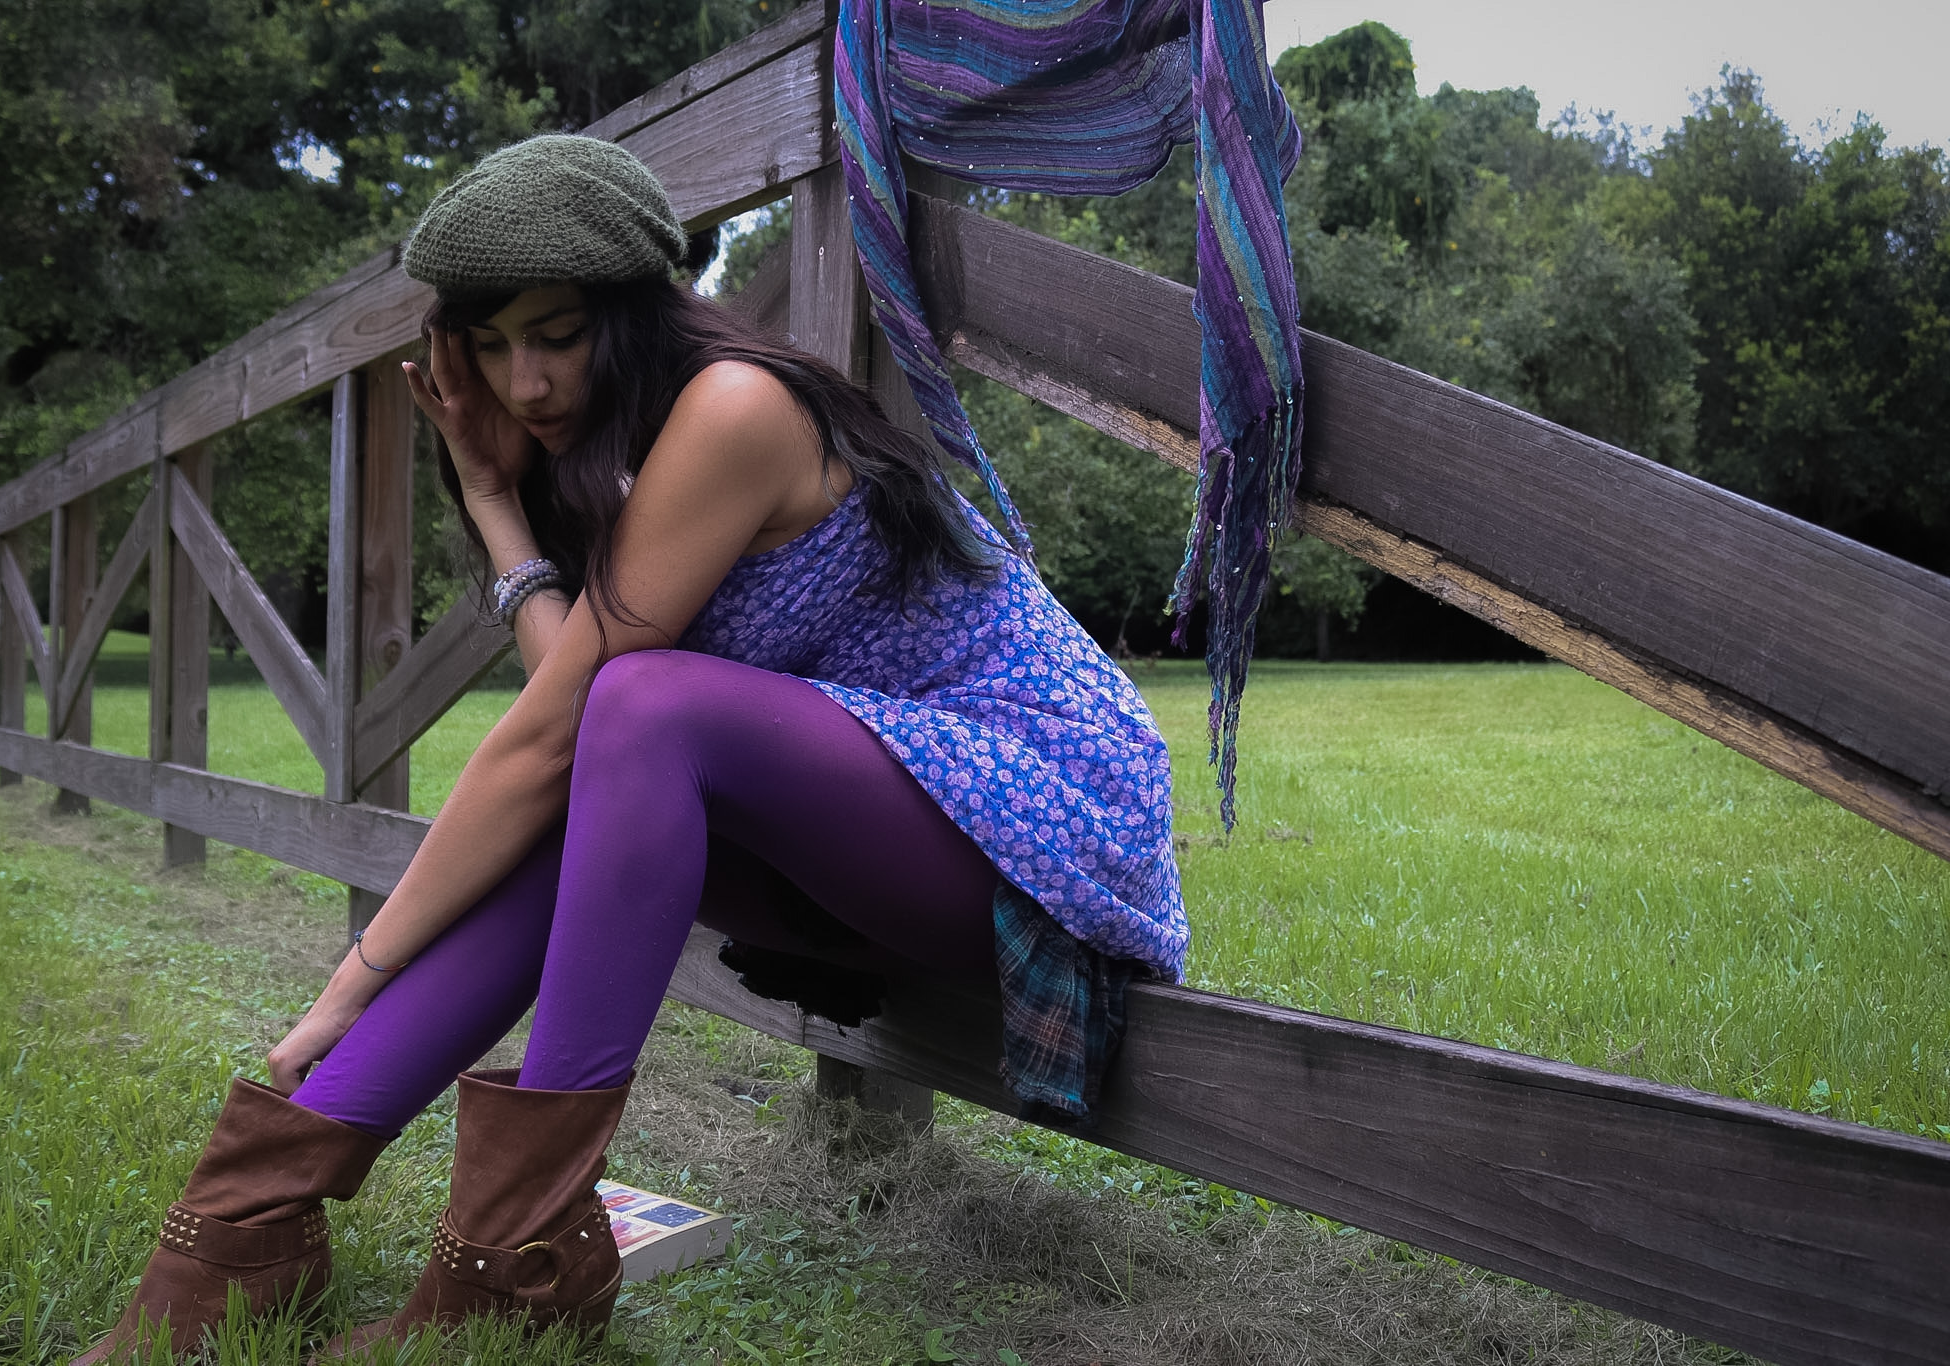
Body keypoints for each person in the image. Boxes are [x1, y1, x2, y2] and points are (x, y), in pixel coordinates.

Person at [71, 134, 1185, 1365]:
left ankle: (514, 1261)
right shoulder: (609, 455)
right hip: (864, 833)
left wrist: (355, 977)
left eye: (557, 335)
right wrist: (493, 499)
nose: (525, 381)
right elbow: (587, 711)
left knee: (639, 709)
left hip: (1036, 823)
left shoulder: (734, 406)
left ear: (637, 310)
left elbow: (576, 720)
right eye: (491, 346)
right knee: (619, 731)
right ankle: (242, 1227)